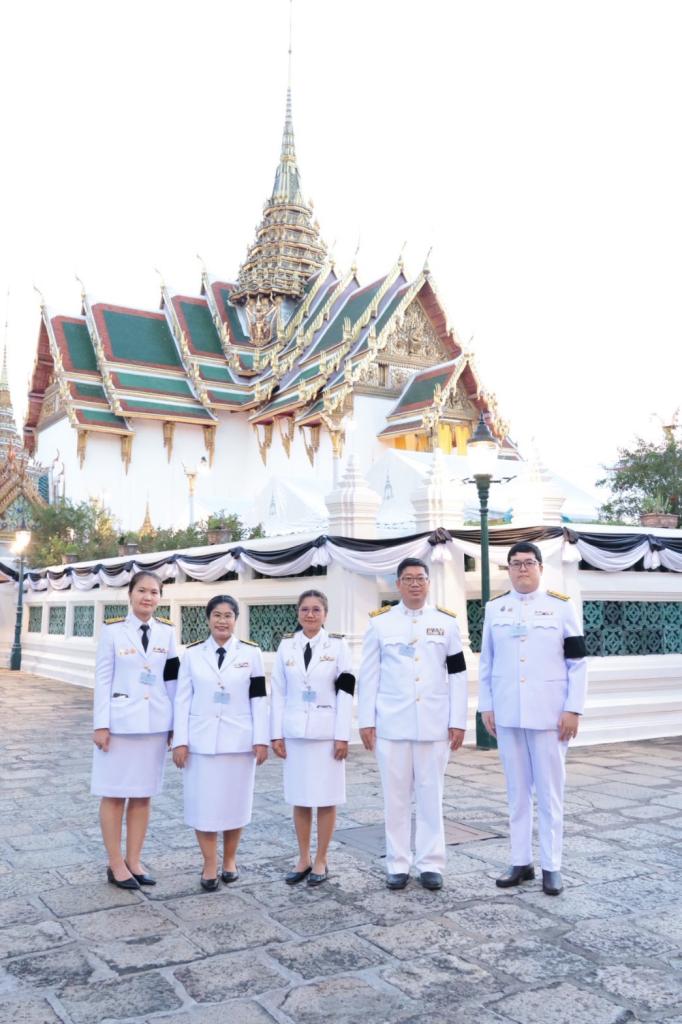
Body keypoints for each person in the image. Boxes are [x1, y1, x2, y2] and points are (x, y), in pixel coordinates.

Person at [478, 540, 588, 896]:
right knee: (516, 793)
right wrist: (486, 705)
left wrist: (573, 708)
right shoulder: (496, 609)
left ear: (540, 567)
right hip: (509, 713)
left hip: (550, 715)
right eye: (515, 563)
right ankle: (521, 861)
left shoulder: (561, 607)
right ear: (508, 569)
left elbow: (577, 662)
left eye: (528, 563)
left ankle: (551, 866)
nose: (522, 569)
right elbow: (487, 662)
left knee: (550, 794)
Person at [358, 558, 468, 891]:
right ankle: (398, 863)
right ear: (398, 584)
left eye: (421, 578)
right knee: (396, 798)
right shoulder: (380, 623)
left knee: (431, 794)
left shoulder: (446, 623)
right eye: (408, 579)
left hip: (434, 724)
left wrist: (458, 720)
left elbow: (458, 675)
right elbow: (369, 675)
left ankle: (431, 863)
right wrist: (366, 720)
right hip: (392, 724)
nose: (415, 584)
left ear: (428, 583)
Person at [172, 595, 268, 892]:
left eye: (228, 615)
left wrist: (261, 738)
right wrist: (180, 740)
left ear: (236, 619)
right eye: (216, 615)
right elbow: (182, 699)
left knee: (234, 804)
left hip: (239, 741)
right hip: (201, 742)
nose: (222, 621)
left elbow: (260, 698)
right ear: (208, 619)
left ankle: (230, 860)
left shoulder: (251, 654)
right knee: (203, 805)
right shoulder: (192, 654)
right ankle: (209, 864)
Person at [92, 570, 179, 889]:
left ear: (160, 598)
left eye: (154, 592)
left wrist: (175, 726)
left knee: (143, 795)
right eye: (142, 590)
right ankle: (115, 863)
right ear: (130, 594)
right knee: (114, 794)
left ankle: (134, 859)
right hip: (120, 724)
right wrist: (101, 723)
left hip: (154, 724)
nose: (148, 597)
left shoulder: (167, 632)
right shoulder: (113, 631)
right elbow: (102, 678)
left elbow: (172, 679)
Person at [270, 589, 355, 886]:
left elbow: (346, 692)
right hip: (295, 733)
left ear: (325, 614)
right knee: (301, 798)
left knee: (327, 798)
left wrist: (342, 735)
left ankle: (321, 859)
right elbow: (278, 691)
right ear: (298, 613)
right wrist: (275, 733)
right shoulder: (286, 647)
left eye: (316, 609)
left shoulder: (338, 646)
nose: (310, 614)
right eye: (304, 609)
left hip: (326, 734)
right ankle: (303, 857)